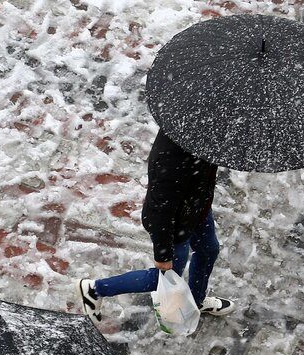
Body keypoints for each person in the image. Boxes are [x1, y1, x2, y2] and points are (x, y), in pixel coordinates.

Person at [78, 130, 234, 324]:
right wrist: (163, 254)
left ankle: (195, 301)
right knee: (165, 277)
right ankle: (96, 289)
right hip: (176, 224)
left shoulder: (202, 132)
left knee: (208, 250)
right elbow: (160, 211)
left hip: (197, 206)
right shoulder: (172, 160)